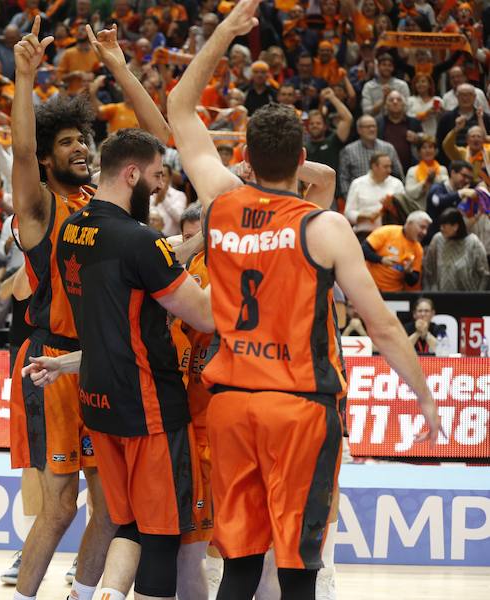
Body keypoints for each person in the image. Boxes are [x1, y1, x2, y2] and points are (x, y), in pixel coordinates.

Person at [165, 2, 440, 599]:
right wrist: (423, 395)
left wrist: (223, 33)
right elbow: (385, 328)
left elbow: (179, 107)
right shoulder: (324, 228)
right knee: (297, 569)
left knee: (239, 568)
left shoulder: (216, 202)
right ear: (302, 161)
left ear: (244, 156)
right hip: (299, 410)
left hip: (231, 406)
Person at [5, 17, 175, 600]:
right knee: (58, 508)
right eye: (67, 142)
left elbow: (158, 143)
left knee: (110, 508)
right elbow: (21, 148)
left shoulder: (109, 195)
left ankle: (81, 593)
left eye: (84, 139)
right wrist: (24, 77)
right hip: (51, 364)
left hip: (105, 363)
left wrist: (119, 66)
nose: (80, 147)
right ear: (50, 157)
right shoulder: (39, 208)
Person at [23, 128, 214, 600]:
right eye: (153, 178)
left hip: (99, 403)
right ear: (132, 174)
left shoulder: (72, 231)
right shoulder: (137, 240)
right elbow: (205, 312)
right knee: (162, 536)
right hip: (149, 409)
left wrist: (196, 243)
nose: (157, 188)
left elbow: (129, 293)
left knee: (125, 523)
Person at [362, 212, 431, 292]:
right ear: (409, 223)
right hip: (370, 287)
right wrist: (381, 259)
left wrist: (408, 272)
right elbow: (363, 250)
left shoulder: (418, 249)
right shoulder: (387, 231)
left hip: (394, 292)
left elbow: (413, 281)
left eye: (426, 229)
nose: (424, 232)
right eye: (422, 227)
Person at [423, 207, 490, 291]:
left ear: (455, 226)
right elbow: (429, 270)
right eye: (440, 225)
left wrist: (478, 297)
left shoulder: (473, 242)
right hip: (442, 297)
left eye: (444, 226)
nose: (441, 229)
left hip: (469, 298)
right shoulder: (437, 239)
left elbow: (485, 274)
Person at [338, 115, 404, 197]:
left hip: (386, 197)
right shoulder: (348, 150)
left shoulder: (388, 148)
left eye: (374, 126)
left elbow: (398, 174)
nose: (372, 129)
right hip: (360, 197)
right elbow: (343, 178)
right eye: (368, 127)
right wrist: (350, 197)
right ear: (359, 130)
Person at [344, 153, 405, 238]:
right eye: (385, 167)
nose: (389, 170)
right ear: (374, 167)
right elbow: (348, 214)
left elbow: (403, 213)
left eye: (390, 166)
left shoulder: (397, 184)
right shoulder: (358, 184)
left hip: (390, 234)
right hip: (365, 233)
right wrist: (366, 216)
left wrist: (391, 207)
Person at [425, 160, 474, 243]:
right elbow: (437, 201)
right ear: (453, 173)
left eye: (469, 178)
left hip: (454, 240)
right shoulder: (438, 188)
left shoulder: (464, 193)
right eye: (464, 176)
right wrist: (460, 193)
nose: (466, 180)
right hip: (433, 240)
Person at [403, 137, 448, 215]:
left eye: (431, 147)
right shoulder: (412, 170)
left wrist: (434, 178)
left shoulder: (442, 169)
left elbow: (447, 188)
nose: (428, 151)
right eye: (424, 148)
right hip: (419, 211)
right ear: (419, 152)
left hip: (439, 212)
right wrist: (426, 182)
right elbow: (409, 193)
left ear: (435, 151)